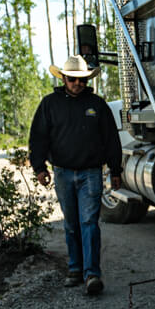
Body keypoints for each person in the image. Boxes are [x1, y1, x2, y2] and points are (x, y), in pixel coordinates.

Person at [28, 56, 125, 296]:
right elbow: (38, 137)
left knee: (89, 223)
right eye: (72, 79)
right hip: (61, 173)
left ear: (86, 80)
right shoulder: (49, 104)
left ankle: (92, 274)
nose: (77, 83)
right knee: (71, 224)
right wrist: (39, 167)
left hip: (91, 173)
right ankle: (75, 269)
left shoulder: (97, 104)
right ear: (64, 78)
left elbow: (111, 139)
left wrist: (115, 170)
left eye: (81, 80)